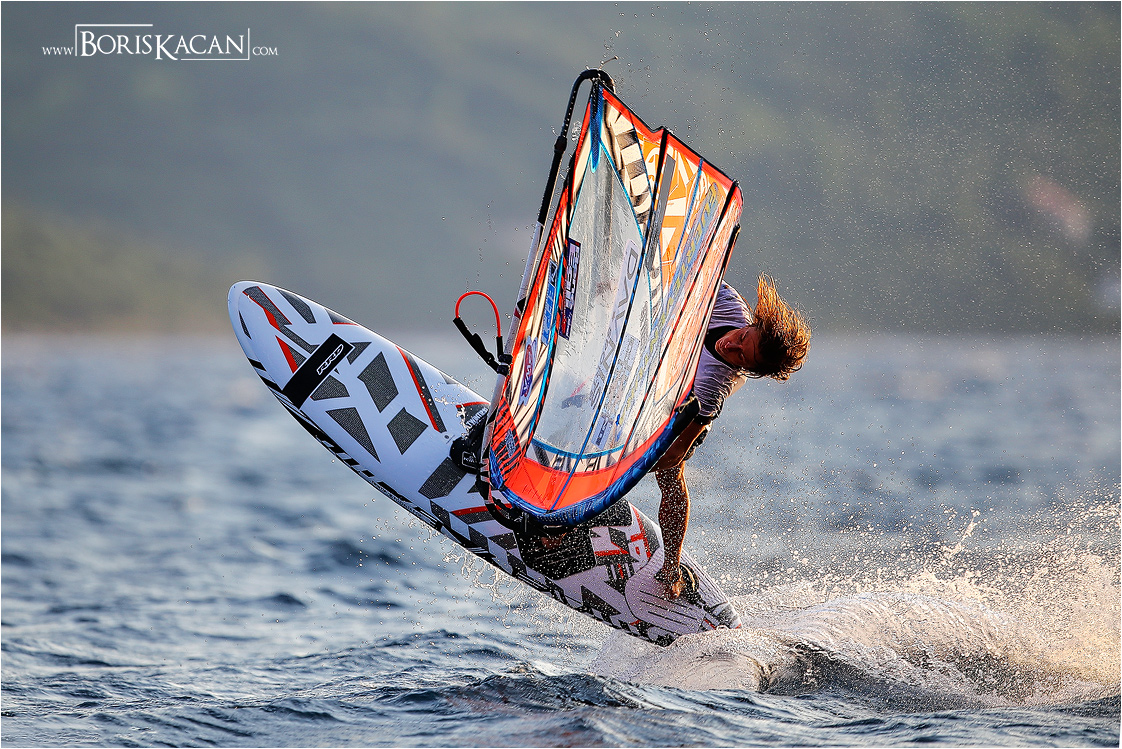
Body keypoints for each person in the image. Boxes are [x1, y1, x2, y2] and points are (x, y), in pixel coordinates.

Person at [653, 274, 811, 598]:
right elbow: (685, 268)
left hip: (686, 409)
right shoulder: (725, 302)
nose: (732, 346)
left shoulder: (712, 384)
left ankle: (671, 569)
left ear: (747, 369)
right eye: (743, 337)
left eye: (741, 356)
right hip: (658, 361)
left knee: (669, 474)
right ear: (750, 324)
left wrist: (630, 464)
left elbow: (673, 454)